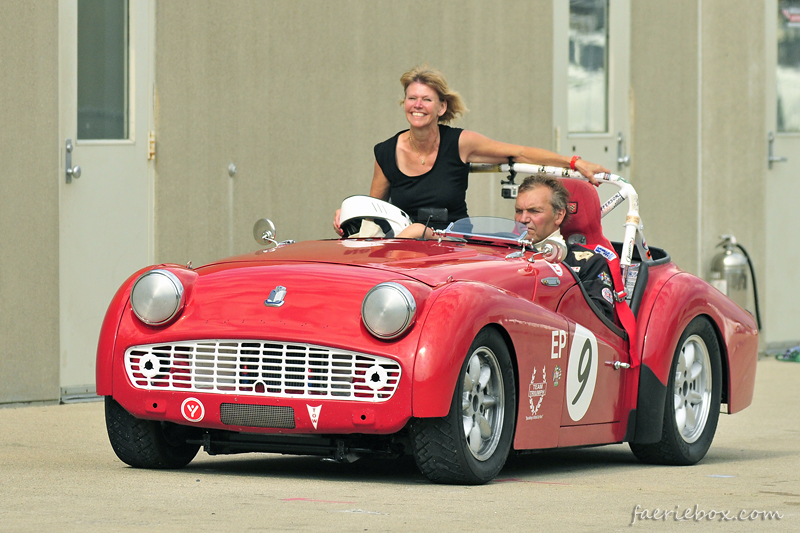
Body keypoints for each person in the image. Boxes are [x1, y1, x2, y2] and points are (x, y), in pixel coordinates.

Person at [333, 64, 610, 235]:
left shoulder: (460, 142)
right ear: (404, 104)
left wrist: (574, 162)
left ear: (441, 107)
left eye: (426, 99)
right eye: (412, 98)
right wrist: (349, 215)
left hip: (454, 243)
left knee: (418, 231)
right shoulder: (385, 152)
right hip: (406, 249)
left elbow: (520, 153)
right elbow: (374, 212)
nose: (418, 105)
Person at [514, 174, 615, 322]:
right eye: (518, 211)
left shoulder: (588, 263)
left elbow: (600, 323)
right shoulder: (504, 254)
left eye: (534, 211)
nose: (523, 219)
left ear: (559, 215)